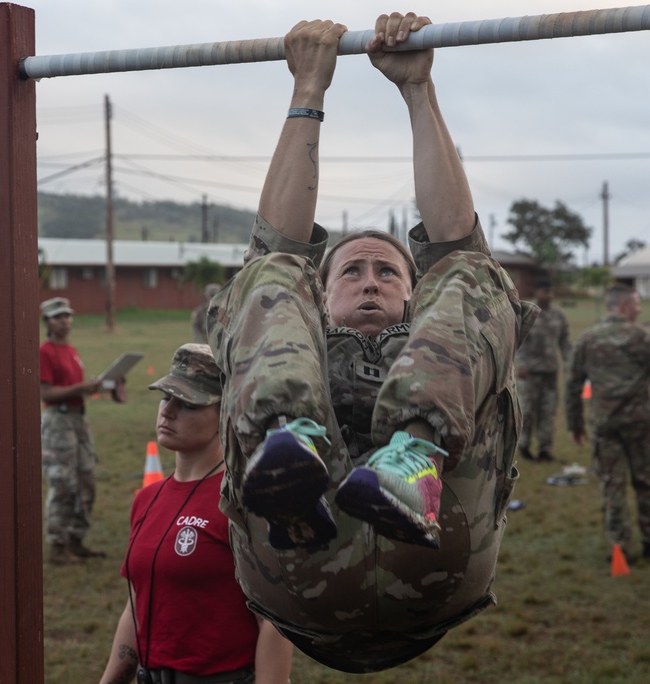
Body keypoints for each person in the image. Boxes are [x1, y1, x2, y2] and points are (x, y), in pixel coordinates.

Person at [205, 13, 537, 673]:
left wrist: (418, 90)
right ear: (321, 300)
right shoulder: (299, 334)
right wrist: (309, 88)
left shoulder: (434, 341)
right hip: (295, 565)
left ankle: (414, 457)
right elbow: (280, 252)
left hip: (435, 549)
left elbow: (455, 252)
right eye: (350, 271)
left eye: (388, 272)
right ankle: (289, 451)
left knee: (472, 275)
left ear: (412, 298)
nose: (369, 281)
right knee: (266, 277)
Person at [98, 344, 293, 684]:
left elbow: (275, 623)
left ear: (226, 414)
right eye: (165, 397)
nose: (168, 411)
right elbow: (136, 606)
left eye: (188, 403)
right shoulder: (146, 499)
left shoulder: (246, 502)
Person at [565, 284, 650, 563]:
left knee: (612, 486)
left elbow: (573, 384)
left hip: (605, 426)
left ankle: (619, 549)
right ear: (624, 306)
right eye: (637, 303)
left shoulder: (588, 339)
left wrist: (575, 423)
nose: (639, 308)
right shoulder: (642, 337)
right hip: (640, 425)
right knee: (645, 483)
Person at [40, 296, 125, 565]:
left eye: (67, 315)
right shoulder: (45, 351)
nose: (64, 321)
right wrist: (82, 388)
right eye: (57, 317)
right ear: (47, 322)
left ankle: (76, 540)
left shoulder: (71, 350)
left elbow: (75, 387)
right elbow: (46, 392)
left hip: (79, 419)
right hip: (58, 421)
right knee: (63, 483)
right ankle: (57, 546)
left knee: (87, 480)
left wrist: (99, 385)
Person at [516, 278, 571, 462]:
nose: (549, 295)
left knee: (548, 411)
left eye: (550, 291)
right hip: (530, 372)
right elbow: (518, 340)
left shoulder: (557, 314)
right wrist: (521, 364)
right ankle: (523, 446)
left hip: (550, 371)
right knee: (528, 411)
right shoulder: (529, 312)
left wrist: (568, 363)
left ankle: (545, 449)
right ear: (537, 292)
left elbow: (564, 340)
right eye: (545, 291)